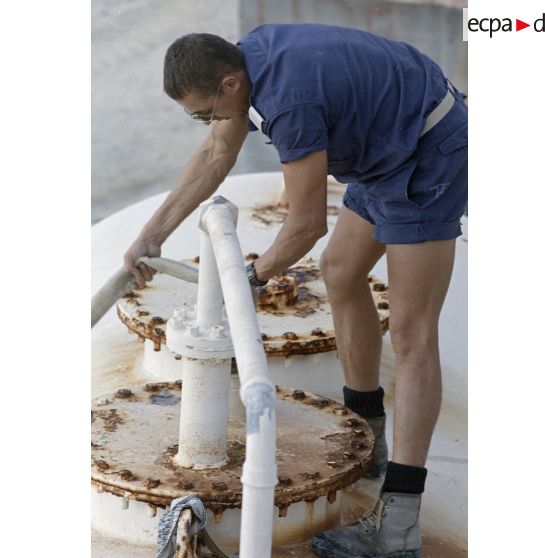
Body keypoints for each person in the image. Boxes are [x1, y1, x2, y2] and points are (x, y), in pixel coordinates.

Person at [123, 23, 467, 558]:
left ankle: (399, 523)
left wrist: (250, 280)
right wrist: (152, 235)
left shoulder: (290, 104)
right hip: (384, 145)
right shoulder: (246, 61)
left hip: (428, 149)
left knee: (412, 332)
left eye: (204, 113)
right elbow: (216, 153)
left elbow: (305, 225)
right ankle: (369, 434)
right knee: (340, 271)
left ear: (231, 83)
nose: (207, 123)